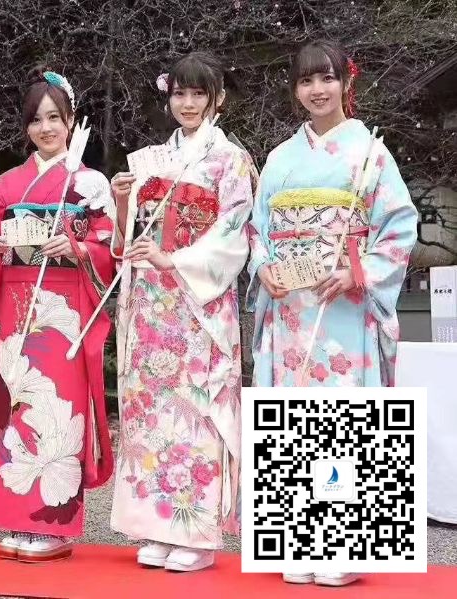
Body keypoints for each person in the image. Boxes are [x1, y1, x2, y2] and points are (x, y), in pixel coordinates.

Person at [246, 40, 418, 587]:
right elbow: (257, 228)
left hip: (344, 304)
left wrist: (357, 273)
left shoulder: (371, 153)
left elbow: (399, 226)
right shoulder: (279, 157)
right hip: (291, 307)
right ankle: (296, 542)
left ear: (347, 82)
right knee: (292, 418)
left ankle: (344, 546)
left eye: (327, 78)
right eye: (306, 81)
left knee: (345, 419)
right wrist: (263, 267)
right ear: (295, 89)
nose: (317, 90)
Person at [108, 51, 255, 573]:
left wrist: (175, 259)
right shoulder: (151, 159)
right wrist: (121, 202)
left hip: (197, 303)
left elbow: (234, 235)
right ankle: (155, 526)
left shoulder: (231, 161)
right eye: (180, 94)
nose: (188, 103)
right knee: (151, 414)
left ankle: (195, 534)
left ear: (218, 98)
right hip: (151, 303)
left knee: (196, 412)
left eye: (199, 94)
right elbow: (126, 240)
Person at [0, 69, 115, 563]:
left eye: (55, 118)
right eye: (36, 120)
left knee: (59, 406)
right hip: (14, 301)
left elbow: (108, 243)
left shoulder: (89, 183)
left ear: (71, 121)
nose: (46, 128)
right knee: (17, 402)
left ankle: (53, 526)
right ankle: (17, 519)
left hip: (64, 306)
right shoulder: (7, 183)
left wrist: (78, 247)